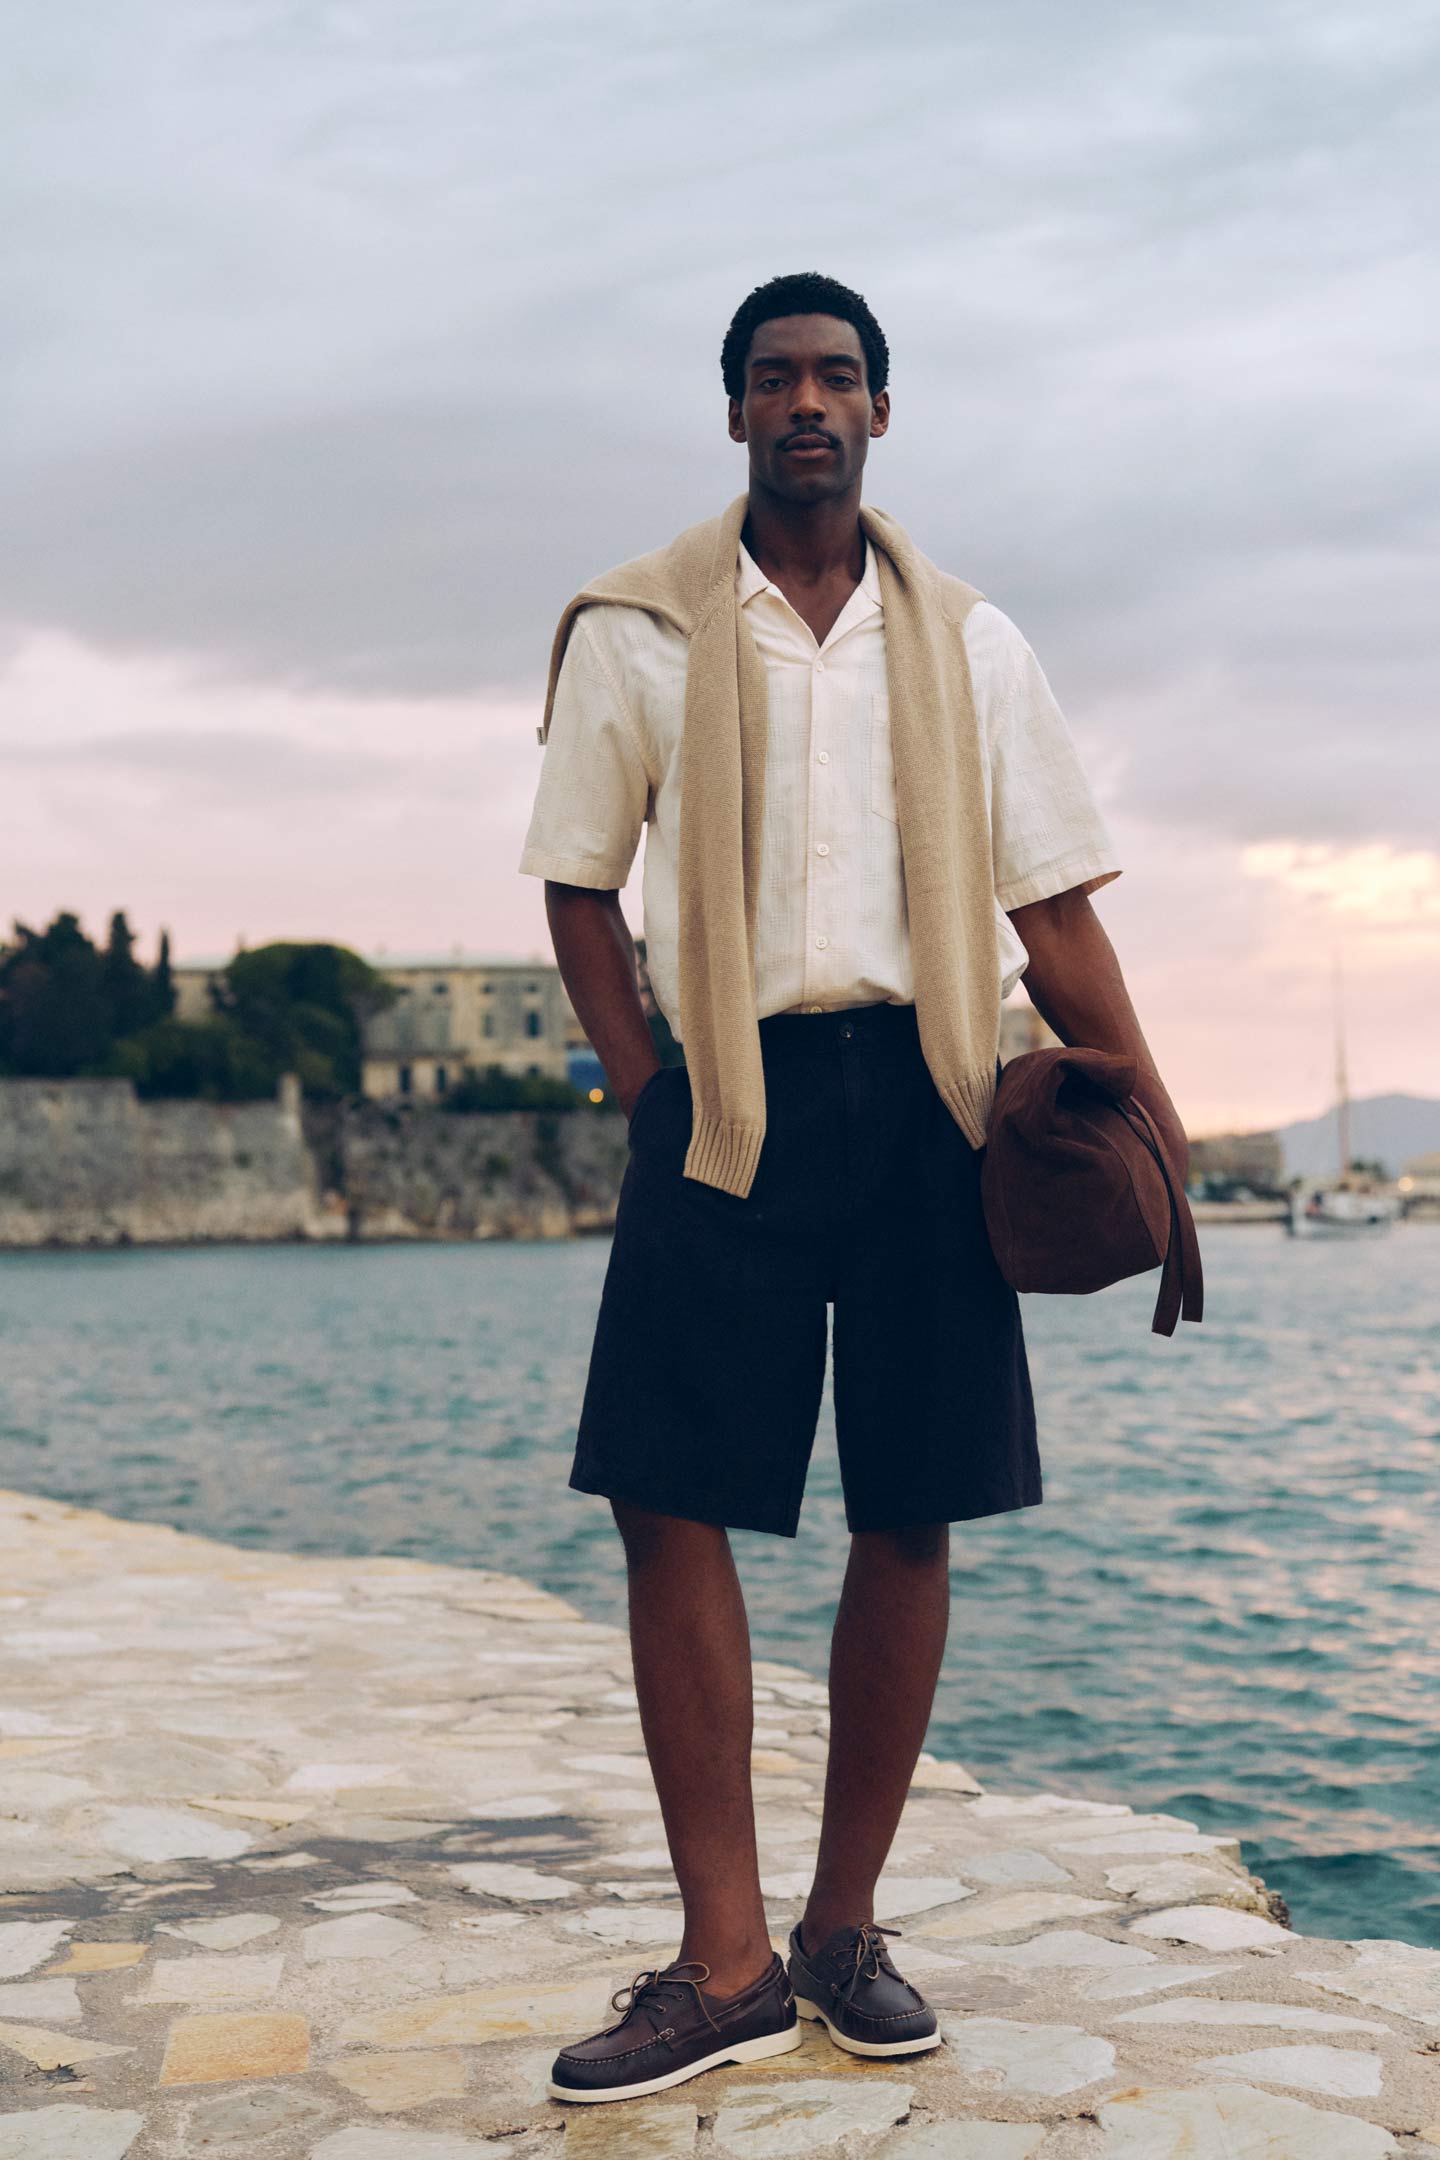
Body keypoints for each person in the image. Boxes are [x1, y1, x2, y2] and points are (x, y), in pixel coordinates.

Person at [517, 271, 1186, 2105]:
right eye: (773, 378)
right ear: (733, 414)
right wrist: (649, 1091)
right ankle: (722, 1962)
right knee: (669, 1503)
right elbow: (579, 885)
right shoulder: (637, 633)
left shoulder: (970, 645)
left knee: (913, 1512)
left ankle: (838, 1929)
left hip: (930, 1099)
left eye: (837, 377)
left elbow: (1051, 912)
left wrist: (1163, 1122)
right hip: (722, 1104)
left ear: (882, 413)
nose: (806, 402)